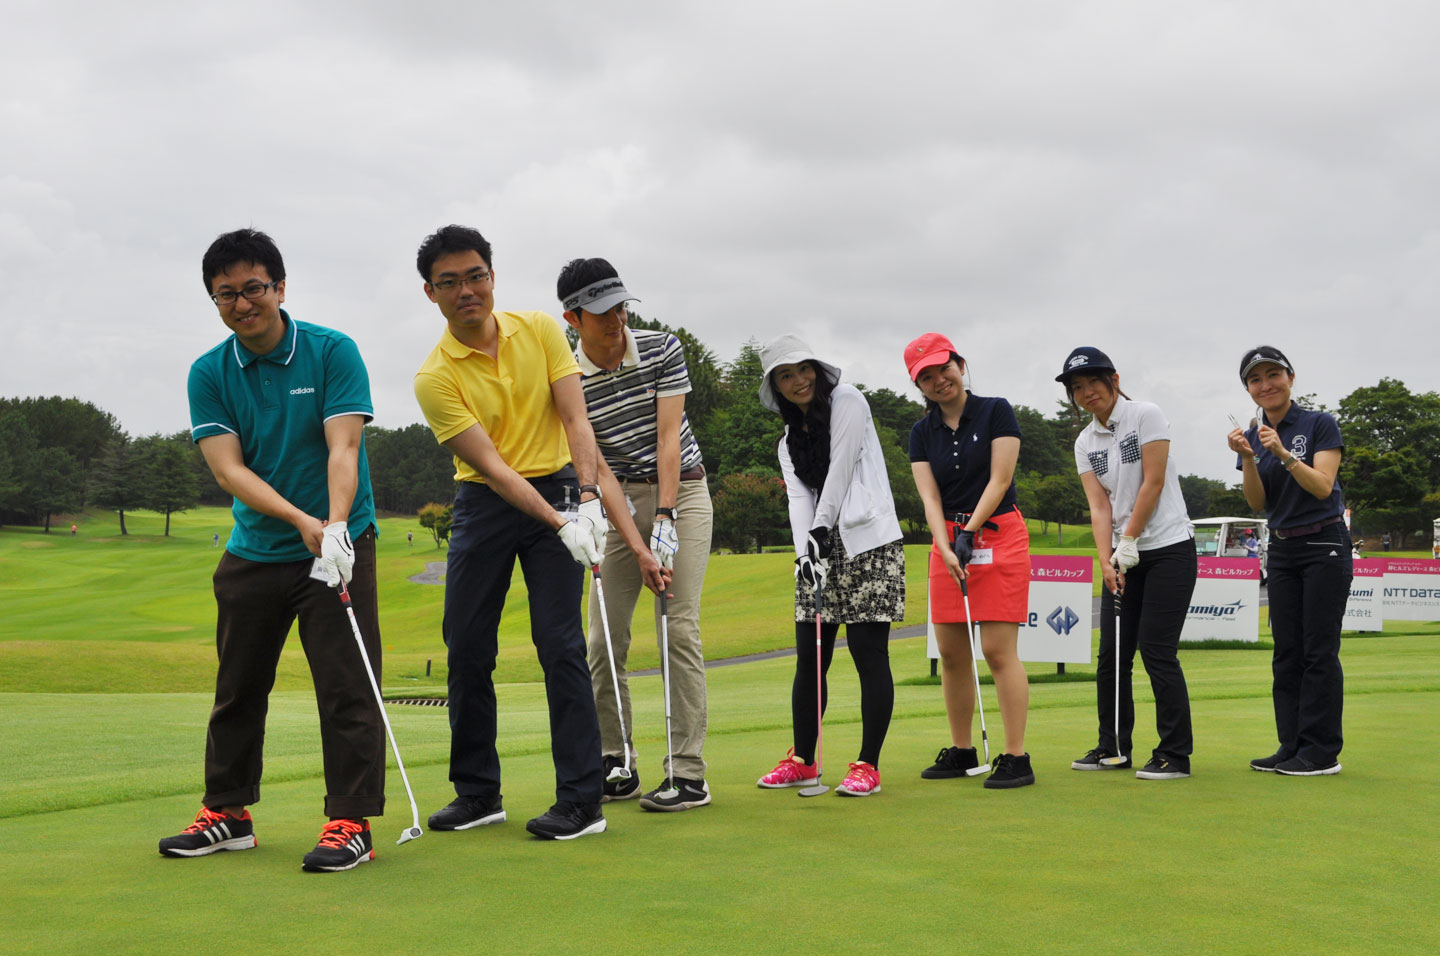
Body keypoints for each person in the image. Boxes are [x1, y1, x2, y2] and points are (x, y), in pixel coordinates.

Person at [162, 228, 385, 873]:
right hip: (257, 548)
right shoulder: (209, 372)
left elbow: (344, 445)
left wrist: (335, 525)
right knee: (238, 688)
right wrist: (299, 519)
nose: (241, 303)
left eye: (253, 288)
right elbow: (228, 470)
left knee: (346, 687)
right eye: (225, 294)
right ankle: (227, 813)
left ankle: (350, 822)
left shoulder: (331, 351)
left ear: (280, 288)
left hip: (339, 544)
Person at [412, 225, 609, 839]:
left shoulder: (542, 330)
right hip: (486, 502)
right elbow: (493, 468)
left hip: (560, 486)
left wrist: (588, 500)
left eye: (476, 276)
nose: (466, 290)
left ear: (492, 277)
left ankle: (582, 800)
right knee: (467, 645)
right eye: (450, 282)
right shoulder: (433, 377)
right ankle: (477, 794)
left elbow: (575, 417)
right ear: (431, 293)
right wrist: (559, 522)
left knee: (560, 644)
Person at [557, 257, 715, 812]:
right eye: (602, 312)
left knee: (677, 628)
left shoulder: (662, 348)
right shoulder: (566, 375)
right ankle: (616, 760)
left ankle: (688, 773)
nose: (616, 320)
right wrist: (640, 545)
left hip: (683, 493)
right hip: (617, 502)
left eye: (621, 306)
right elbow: (598, 468)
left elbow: (669, 439)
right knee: (603, 639)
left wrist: (665, 519)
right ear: (573, 318)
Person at [754, 336, 903, 797]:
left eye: (803, 369)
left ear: (816, 370)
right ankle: (803, 760)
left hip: (868, 541)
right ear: (776, 387)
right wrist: (804, 554)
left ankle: (868, 765)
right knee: (810, 657)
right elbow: (798, 499)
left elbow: (840, 468)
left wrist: (820, 530)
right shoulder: (787, 442)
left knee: (867, 653)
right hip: (820, 548)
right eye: (785, 375)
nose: (798, 381)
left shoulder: (848, 400)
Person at [1059, 347, 1196, 781]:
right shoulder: (1085, 442)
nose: (1086, 392)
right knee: (1112, 656)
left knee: (1156, 651)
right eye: (1077, 387)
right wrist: (1106, 559)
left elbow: (1153, 482)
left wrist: (1131, 539)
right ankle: (1113, 746)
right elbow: (1099, 506)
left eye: (1092, 382)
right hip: (1122, 556)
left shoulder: (1146, 415)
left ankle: (1174, 753)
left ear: (1114, 380)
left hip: (1169, 547)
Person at [905, 333, 1034, 789]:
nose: (939, 380)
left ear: (960, 365)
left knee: (998, 651)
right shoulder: (921, 433)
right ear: (919, 386)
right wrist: (944, 544)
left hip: (998, 533)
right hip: (949, 542)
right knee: (952, 653)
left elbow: (1000, 479)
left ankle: (1016, 756)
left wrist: (969, 531)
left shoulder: (996, 410)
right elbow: (929, 497)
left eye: (944, 368)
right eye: (926, 376)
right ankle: (962, 749)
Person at [1227, 345, 1350, 776]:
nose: (1266, 385)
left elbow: (1322, 486)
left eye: (1273, 375)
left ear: (1290, 378)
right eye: (1255, 379)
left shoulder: (1319, 424)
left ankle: (1321, 751)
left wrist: (1281, 453)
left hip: (1323, 543)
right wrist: (1248, 457)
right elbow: (1257, 502)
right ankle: (1292, 744)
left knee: (1318, 651)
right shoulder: (1253, 435)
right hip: (1281, 548)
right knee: (1287, 652)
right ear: (1248, 389)